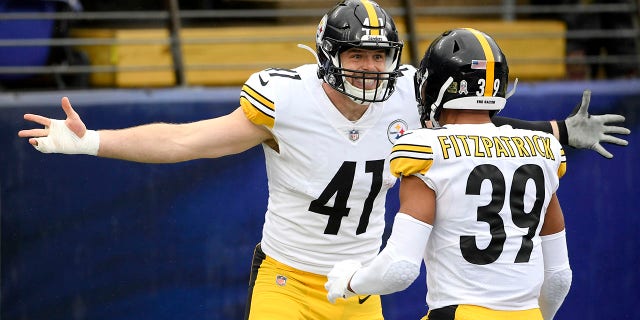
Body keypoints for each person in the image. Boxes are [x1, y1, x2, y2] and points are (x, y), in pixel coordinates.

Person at [17, 1, 626, 319]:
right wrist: (92, 139)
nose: (370, 68)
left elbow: (477, 124)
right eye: (357, 56)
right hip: (286, 280)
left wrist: (556, 131)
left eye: (379, 56)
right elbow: (187, 140)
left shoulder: (412, 95)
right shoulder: (287, 99)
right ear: (329, 54)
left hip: (363, 291)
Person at [325, 28, 572, 320]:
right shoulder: (542, 148)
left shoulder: (426, 149)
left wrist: (351, 282)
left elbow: (400, 267)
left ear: (436, 87)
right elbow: (558, 277)